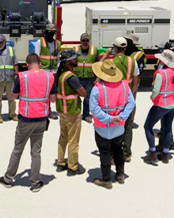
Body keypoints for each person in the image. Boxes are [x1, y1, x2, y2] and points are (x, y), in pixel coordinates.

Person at [0, 53, 55, 193]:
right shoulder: (49, 76)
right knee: (36, 152)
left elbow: (13, 96)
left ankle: (8, 178)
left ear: (28, 65)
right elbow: (53, 99)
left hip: (26, 119)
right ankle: (35, 182)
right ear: (39, 64)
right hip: (41, 118)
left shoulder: (22, 76)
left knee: (18, 149)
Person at [89, 60, 136, 189]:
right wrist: (121, 117)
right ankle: (120, 174)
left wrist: (109, 118)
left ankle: (106, 180)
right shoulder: (125, 86)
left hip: (102, 128)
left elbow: (94, 109)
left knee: (104, 153)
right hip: (119, 126)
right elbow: (131, 103)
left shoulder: (97, 89)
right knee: (118, 149)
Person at [143, 49, 174, 165]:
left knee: (148, 127)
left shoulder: (161, 73)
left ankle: (152, 153)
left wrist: (152, 97)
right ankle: (165, 154)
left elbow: (156, 90)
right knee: (167, 128)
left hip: (161, 104)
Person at [102, 36, 140, 162]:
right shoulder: (132, 61)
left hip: (116, 97)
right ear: (125, 47)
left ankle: (114, 155)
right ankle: (127, 153)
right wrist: (132, 96)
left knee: (115, 126)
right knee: (128, 125)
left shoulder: (111, 62)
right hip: (128, 95)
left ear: (115, 47)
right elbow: (135, 80)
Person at [54, 49, 88, 176]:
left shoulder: (60, 75)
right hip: (72, 111)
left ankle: (61, 163)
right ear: (67, 62)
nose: (76, 60)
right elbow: (83, 93)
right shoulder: (71, 77)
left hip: (62, 111)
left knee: (63, 137)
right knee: (73, 140)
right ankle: (73, 167)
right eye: (74, 59)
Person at [0, 34, 18, 123]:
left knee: (12, 98)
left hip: (9, 77)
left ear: (5, 42)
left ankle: (12, 114)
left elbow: (15, 63)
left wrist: (16, 74)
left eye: (1, 42)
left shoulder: (11, 50)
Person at [75, 33, 98, 122]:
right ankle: (76, 114)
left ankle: (86, 115)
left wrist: (97, 77)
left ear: (89, 41)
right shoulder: (75, 49)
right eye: (83, 40)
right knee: (76, 97)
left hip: (90, 77)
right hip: (77, 77)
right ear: (80, 41)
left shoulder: (94, 50)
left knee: (88, 97)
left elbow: (97, 64)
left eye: (87, 40)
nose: (85, 42)